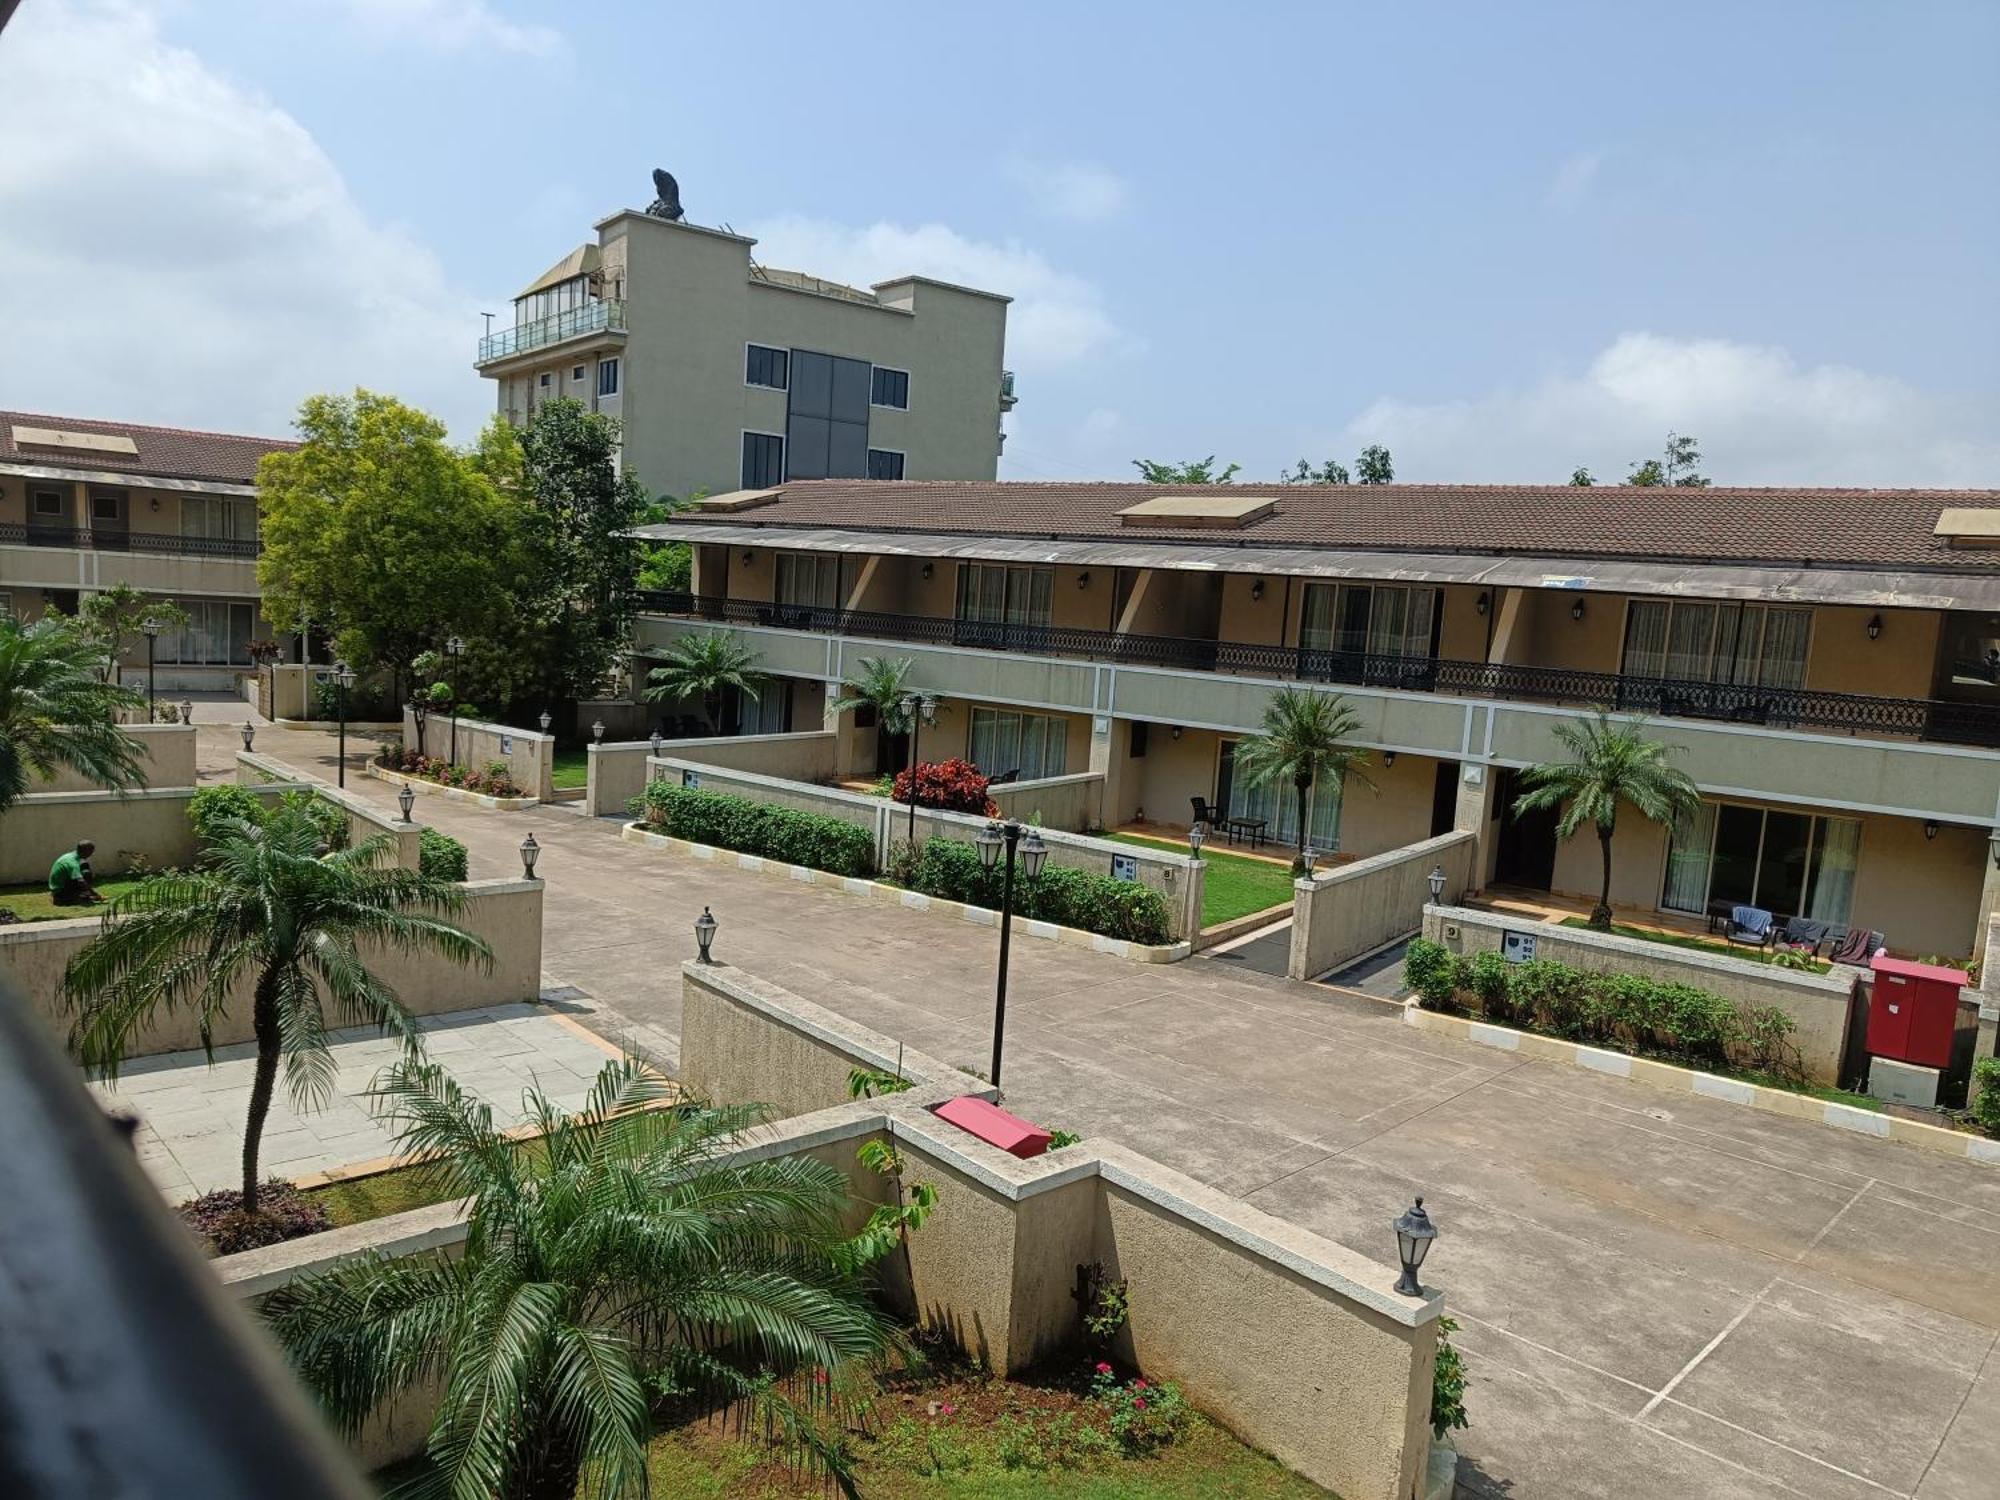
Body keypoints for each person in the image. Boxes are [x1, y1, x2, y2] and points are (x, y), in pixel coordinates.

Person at [49, 841, 103, 906]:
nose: (91, 854)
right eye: (91, 851)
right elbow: (81, 881)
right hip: (60, 891)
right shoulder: (72, 863)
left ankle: (83, 895)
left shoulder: (72, 856)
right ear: (85, 851)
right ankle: (64, 899)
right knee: (86, 874)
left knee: (84, 870)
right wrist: (95, 894)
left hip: (58, 887)